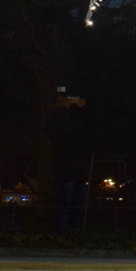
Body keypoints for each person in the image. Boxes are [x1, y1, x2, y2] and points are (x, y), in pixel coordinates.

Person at [46, 90, 91, 234]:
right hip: (66, 167)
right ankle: (64, 229)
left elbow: (87, 130)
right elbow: (58, 132)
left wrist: (80, 109)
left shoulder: (75, 118)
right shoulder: (57, 118)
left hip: (77, 167)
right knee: (66, 197)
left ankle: (73, 228)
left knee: (76, 199)